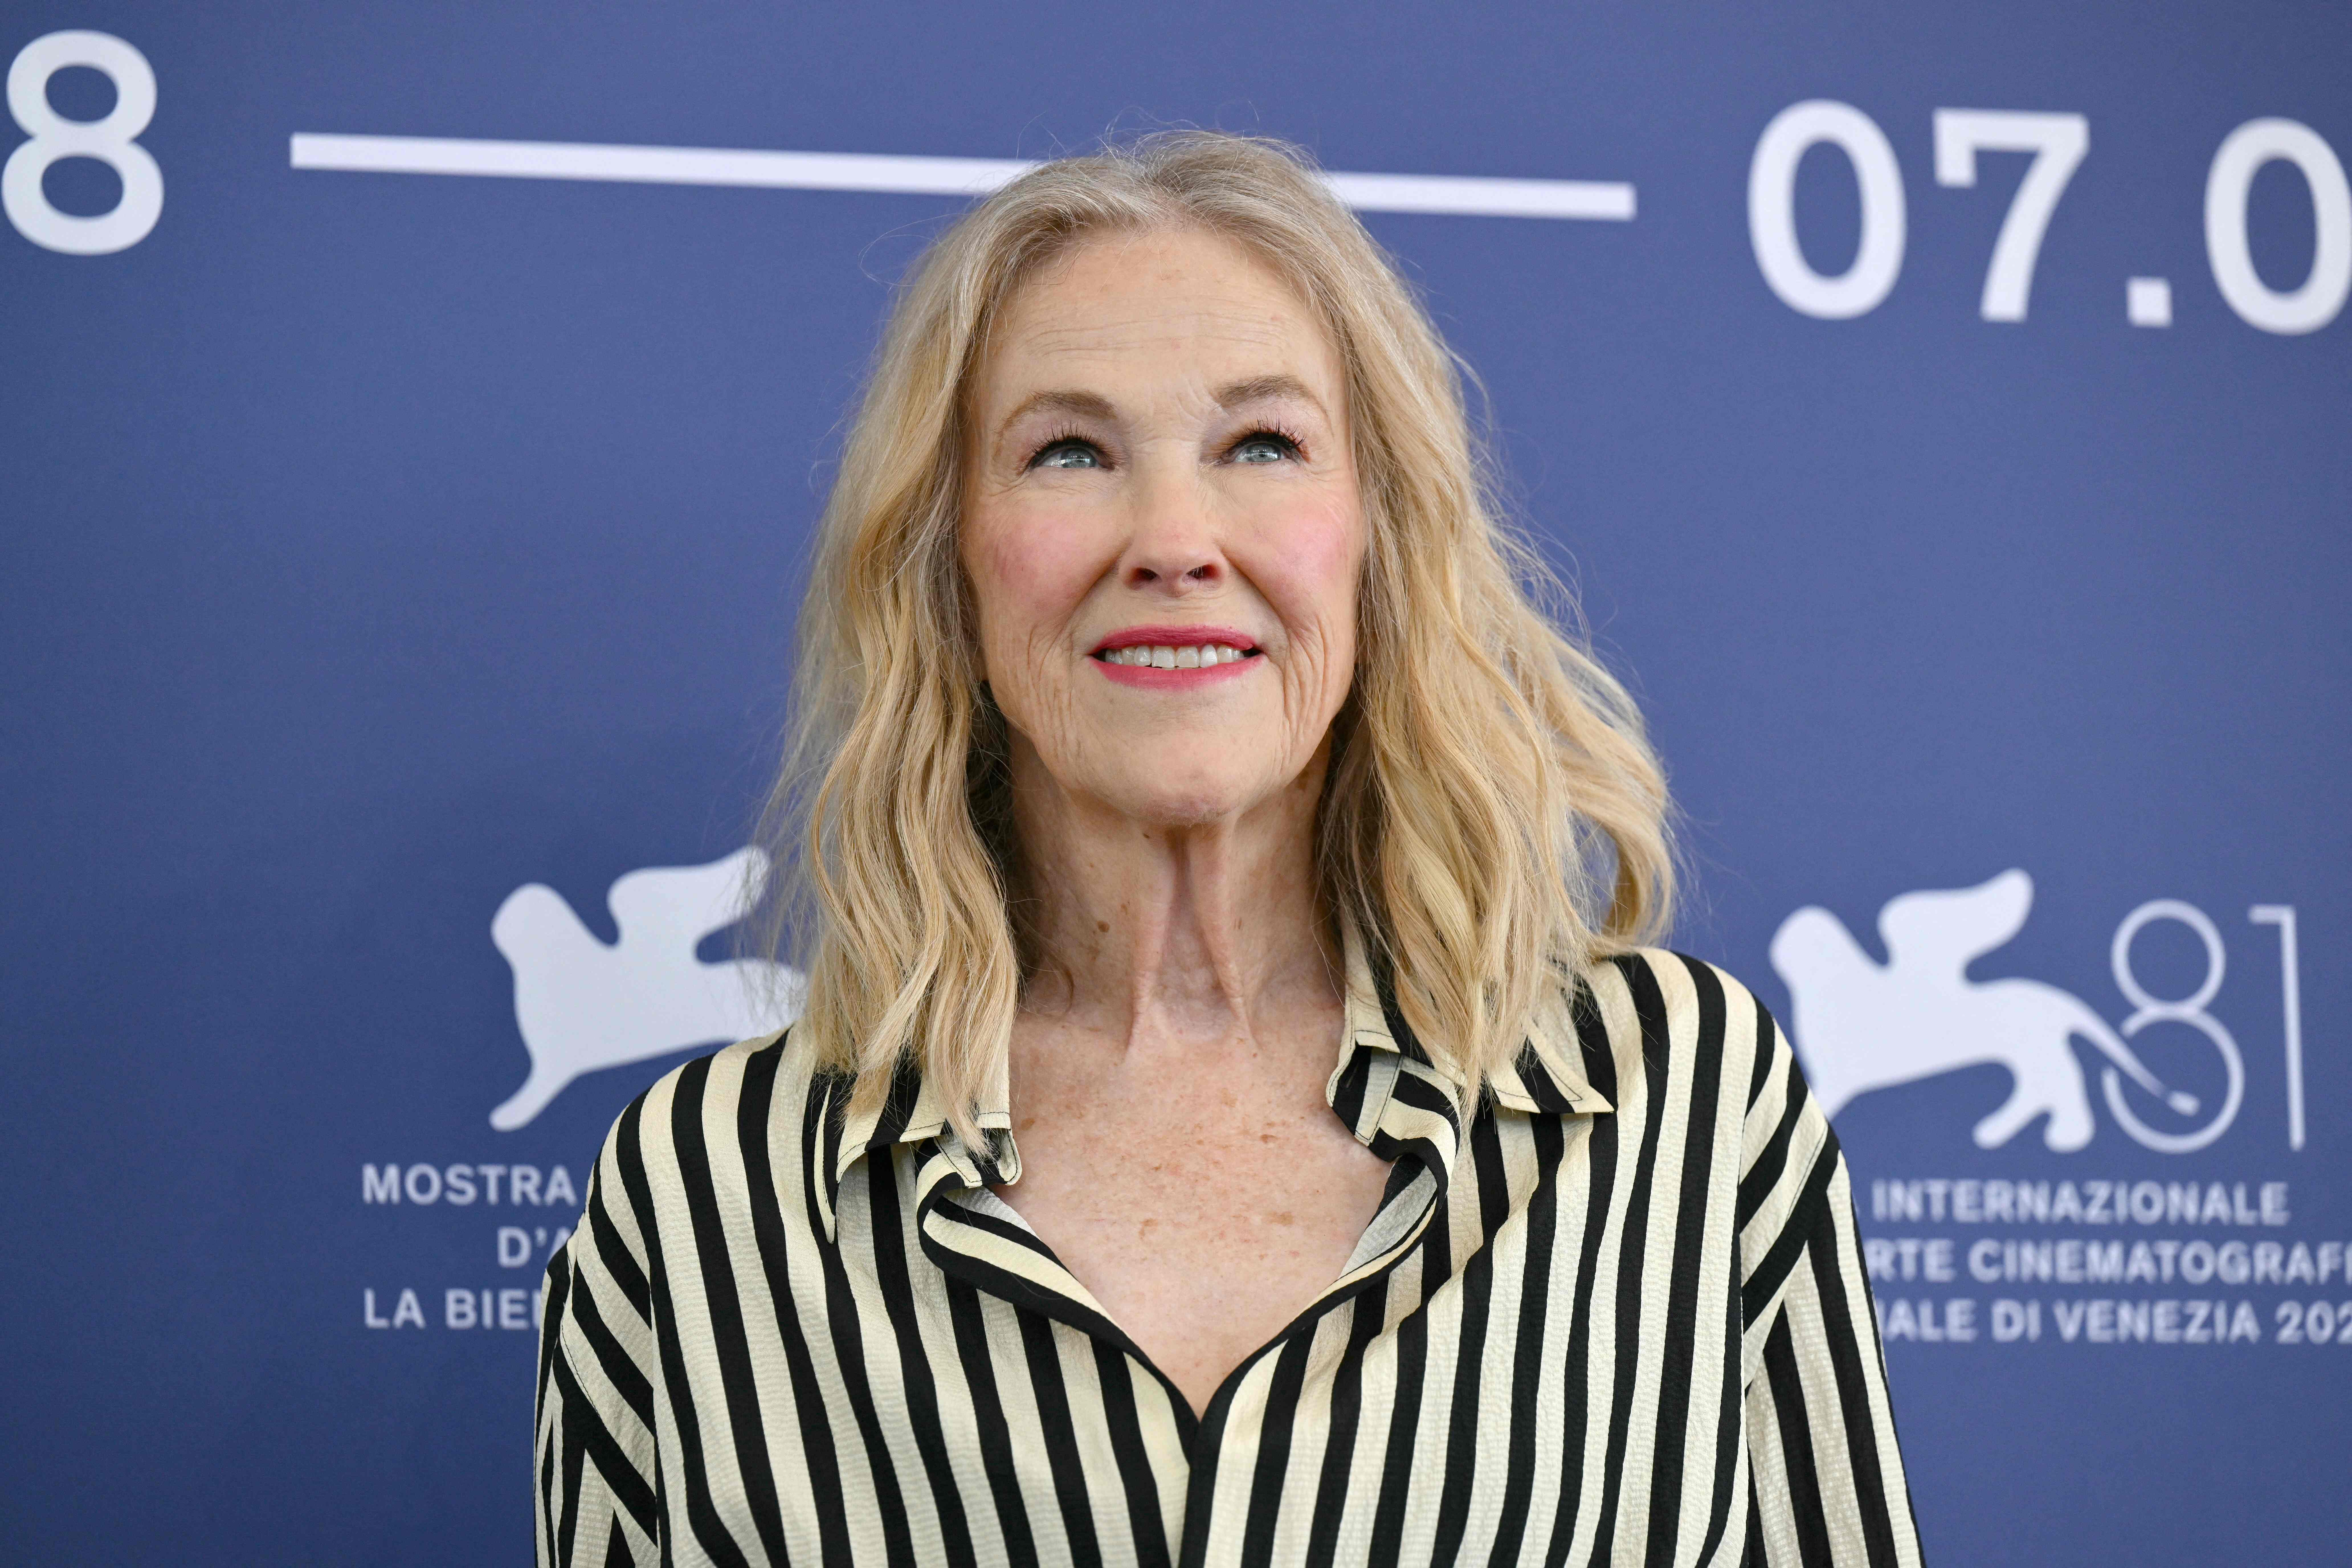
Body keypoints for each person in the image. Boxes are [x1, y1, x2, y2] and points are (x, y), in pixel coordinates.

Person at [534, 130, 1921, 1568]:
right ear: (948, 557)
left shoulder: (1680, 1107)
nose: (1175, 536)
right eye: (1069, 451)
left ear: (1380, 536)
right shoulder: (701, 1198)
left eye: (1262, 443)